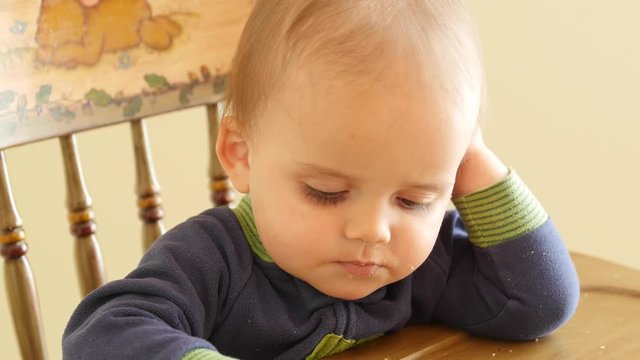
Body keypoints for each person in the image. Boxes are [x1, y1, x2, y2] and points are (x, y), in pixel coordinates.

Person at [62, 1, 580, 359]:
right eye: (326, 192)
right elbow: (100, 335)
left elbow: (538, 301)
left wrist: (473, 159)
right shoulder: (213, 258)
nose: (374, 230)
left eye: (415, 198)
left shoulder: (416, 268)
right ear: (241, 155)